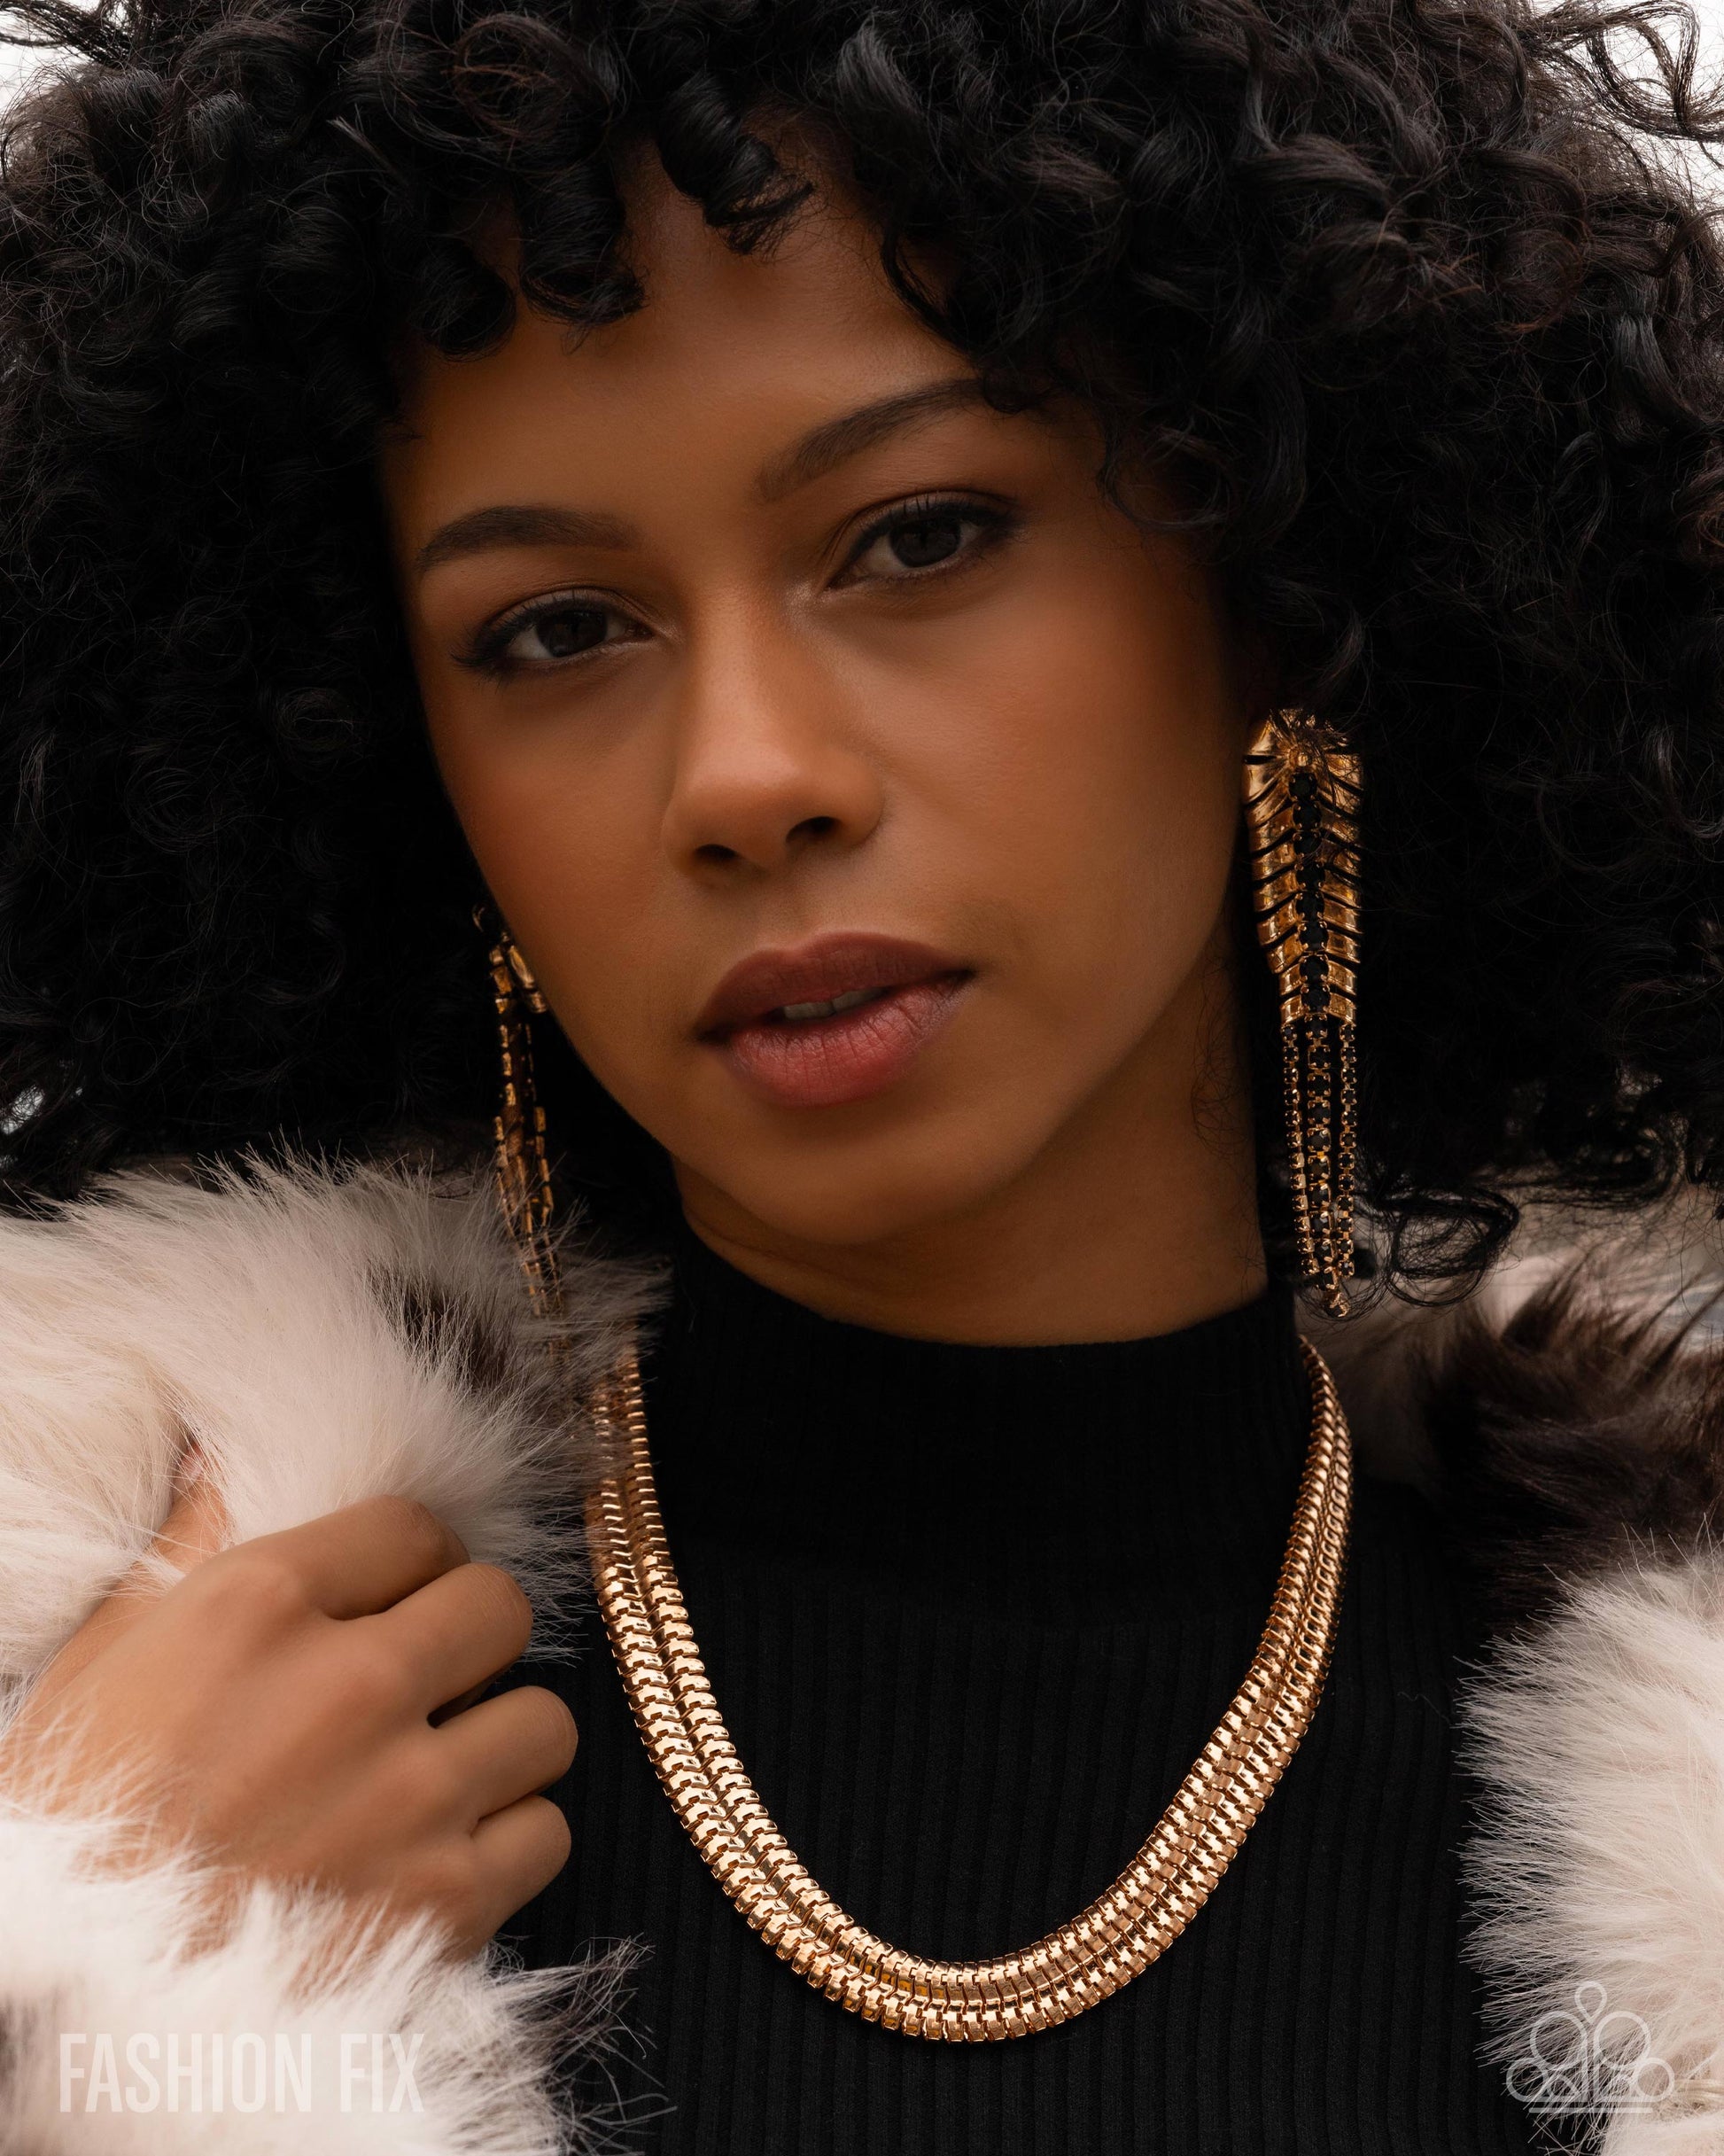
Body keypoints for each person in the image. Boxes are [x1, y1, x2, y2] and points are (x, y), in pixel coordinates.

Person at [0, 0, 1720, 2148]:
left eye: (915, 536)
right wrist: (80, 1951)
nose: (745, 777)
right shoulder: (133, 1686)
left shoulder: (1673, 1775)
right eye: (555, 630)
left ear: (1274, 580)